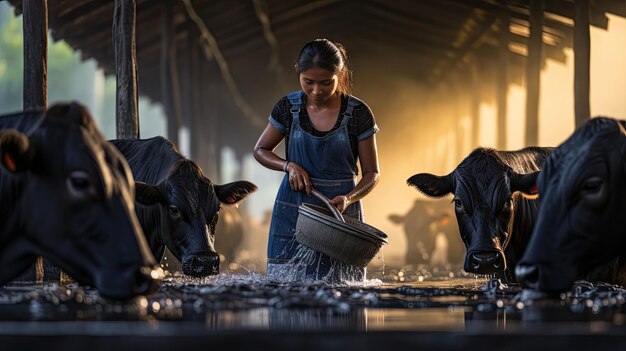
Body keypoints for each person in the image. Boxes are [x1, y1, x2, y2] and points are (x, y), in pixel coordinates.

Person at [253, 39, 380, 282]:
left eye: (325, 82)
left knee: (344, 290)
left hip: (340, 213)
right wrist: (288, 166)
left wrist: (349, 197)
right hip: (294, 208)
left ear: (340, 74)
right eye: (308, 82)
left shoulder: (358, 113)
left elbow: (372, 173)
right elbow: (260, 150)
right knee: (284, 289)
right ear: (298, 71)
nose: (316, 90)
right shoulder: (287, 108)